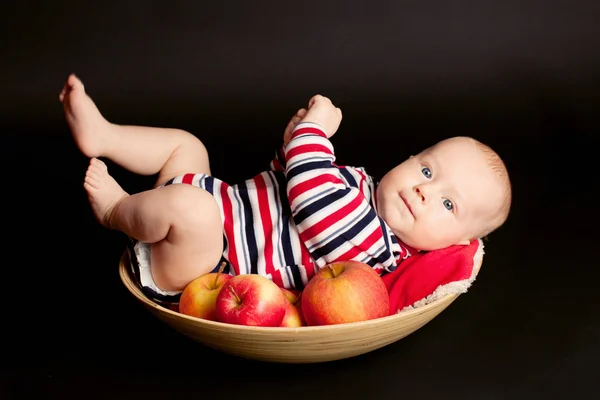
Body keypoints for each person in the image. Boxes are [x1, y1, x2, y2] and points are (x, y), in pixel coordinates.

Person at [60, 74, 512, 301]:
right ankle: (105, 135)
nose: (423, 192)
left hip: (202, 261)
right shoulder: (359, 185)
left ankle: (116, 211)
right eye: (428, 171)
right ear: (410, 158)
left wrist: (315, 129)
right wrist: (293, 138)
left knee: (193, 209)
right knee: (187, 146)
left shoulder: (375, 247)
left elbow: (311, 197)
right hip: (217, 200)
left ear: (454, 243)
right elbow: (285, 179)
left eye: (447, 204)